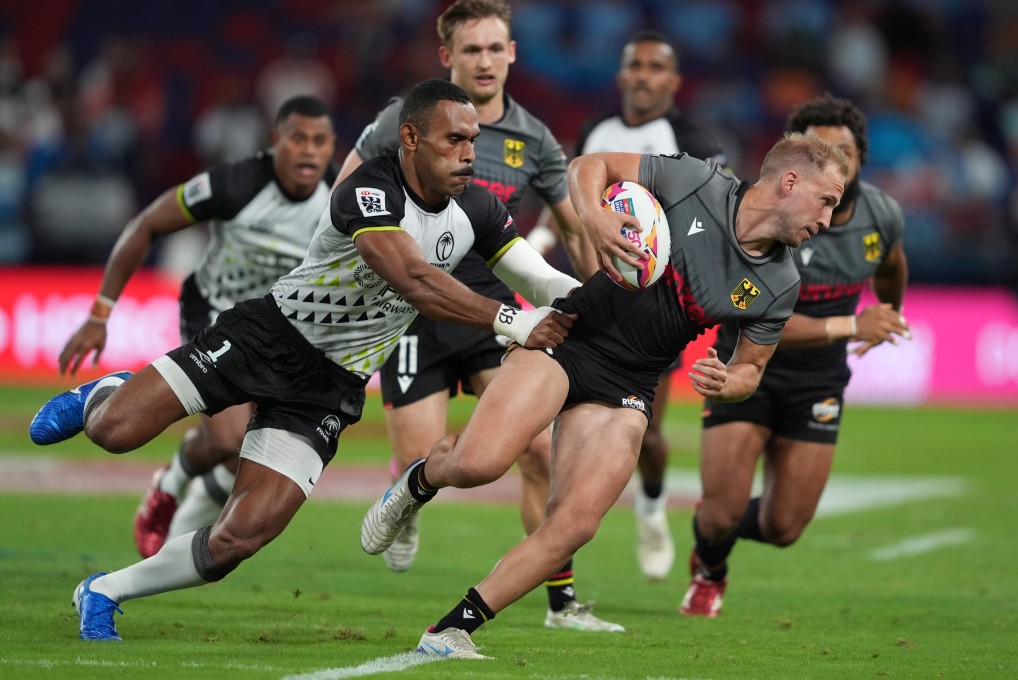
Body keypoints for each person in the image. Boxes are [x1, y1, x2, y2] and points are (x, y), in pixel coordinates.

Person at [28, 78, 579, 642]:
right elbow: (413, 278)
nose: (469, 153)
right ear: (410, 138)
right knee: (115, 432)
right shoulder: (369, 189)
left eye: (474, 139)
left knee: (239, 538)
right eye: (454, 139)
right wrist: (512, 320)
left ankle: (103, 591)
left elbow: (539, 278)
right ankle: (102, 395)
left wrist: (599, 296)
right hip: (268, 337)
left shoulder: (480, 210)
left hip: (329, 388)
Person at [361, 132, 850, 659]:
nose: (826, 221)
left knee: (576, 524)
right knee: (478, 465)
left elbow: (750, 369)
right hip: (570, 337)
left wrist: (727, 383)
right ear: (790, 182)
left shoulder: (779, 282)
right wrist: (593, 215)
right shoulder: (697, 182)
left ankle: (450, 631)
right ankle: (418, 480)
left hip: (632, 385)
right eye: (826, 202)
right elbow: (590, 165)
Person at [337, 0, 618, 633]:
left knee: (541, 454)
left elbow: (575, 231)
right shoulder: (402, 120)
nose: (485, 61)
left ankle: (562, 602)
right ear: (448, 57)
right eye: (472, 50)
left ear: (512, 53)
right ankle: (406, 497)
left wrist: (599, 296)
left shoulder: (535, 140)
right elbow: (345, 194)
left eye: (496, 49)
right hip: (412, 316)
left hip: (498, 316)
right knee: (424, 458)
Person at [51, 95, 339, 559]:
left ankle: (182, 488)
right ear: (275, 141)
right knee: (228, 438)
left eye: (320, 141)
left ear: (332, 148)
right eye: (298, 139)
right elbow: (146, 224)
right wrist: (100, 313)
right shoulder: (235, 182)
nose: (309, 151)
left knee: (242, 448)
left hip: (284, 329)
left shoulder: (341, 200)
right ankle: (169, 483)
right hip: (217, 313)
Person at [680, 94, 911, 618]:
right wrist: (855, 323)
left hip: (819, 380)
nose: (835, 160)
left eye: (844, 150)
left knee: (785, 528)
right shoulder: (772, 218)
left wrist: (890, 310)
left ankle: (718, 515)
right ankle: (711, 568)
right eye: (822, 149)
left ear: (860, 157)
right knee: (721, 518)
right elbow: (768, 321)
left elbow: (891, 266)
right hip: (744, 363)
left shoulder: (881, 215)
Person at [571, 30, 726, 582]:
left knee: (647, 433)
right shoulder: (596, 132)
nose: (642, 74)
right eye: (634, 64)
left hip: (657, 308)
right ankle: (561, 569)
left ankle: (653, 506)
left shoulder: (692, 138)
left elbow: (715, 221)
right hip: (594, 289)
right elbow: (578, 200)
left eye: (655, 66)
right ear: (621, 74)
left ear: (673, 81)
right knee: (566, 425)